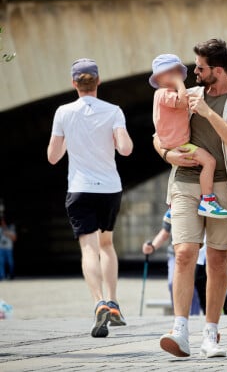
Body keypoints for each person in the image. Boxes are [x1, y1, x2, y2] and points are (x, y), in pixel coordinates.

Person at [153, 38, 227, 358]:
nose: (193, 72)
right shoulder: (188, 94)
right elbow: (159, 134)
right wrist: (168, 154)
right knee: (185, 252)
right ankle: (180, 329)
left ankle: (210, 334)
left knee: (216, 261)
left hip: (226, 188)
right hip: (185, 184)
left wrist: (209, 115)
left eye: (200, 67)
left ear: (218, 70)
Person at [47, 58, 134, 338]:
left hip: (80, 187)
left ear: (74, 83)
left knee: (89, 248)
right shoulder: (114, 111)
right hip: (109, 188)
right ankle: (113, 301)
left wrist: (72, 141)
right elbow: (125, 149)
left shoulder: (63, 112)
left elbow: (52, 157)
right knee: (107, 245)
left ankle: (98, 303)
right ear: (98, 82)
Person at [150, 53, 227, 219]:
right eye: (170, 72)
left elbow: (181, 108)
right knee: (209, 161)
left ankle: (173, 206)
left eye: (177, 71)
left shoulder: (166, 95)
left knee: (179, 167)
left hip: (173, 144)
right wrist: (180, 83)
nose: (175, 75)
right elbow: (182, 102)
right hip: (178, 144)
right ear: (158, 79)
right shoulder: (163, 93)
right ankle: (207, 200)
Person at [142, 209, 203, 315]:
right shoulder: (172, 211)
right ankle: (179, 313)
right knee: (172, 283)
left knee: (189, 283)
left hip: (194, 253)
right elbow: (164, 233)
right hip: (175, 254)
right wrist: (152, 247)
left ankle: (193, 315)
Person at [0, 201, 16, 281]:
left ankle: (11, 275)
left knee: (10, 262)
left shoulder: (11, 228)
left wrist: (6, 232)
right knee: (1, 263)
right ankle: (1, 276)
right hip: (1, 248)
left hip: (9, 248)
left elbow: (14, 238)